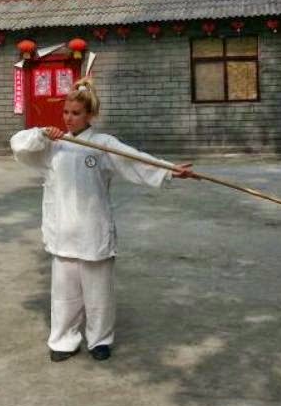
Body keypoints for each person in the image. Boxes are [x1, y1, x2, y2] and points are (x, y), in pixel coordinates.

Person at [10, 78, 196, 363]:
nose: (69, 118)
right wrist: (41, 134)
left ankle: (100, 339)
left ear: (90, 116)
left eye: (76, 113)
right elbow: (19, 145)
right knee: (64, 295)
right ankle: (64, 340)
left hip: (93, 229)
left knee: (99, 294)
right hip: (62, 230)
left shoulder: (104, 145)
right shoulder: (53, 146)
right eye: (66, 112)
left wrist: (170, 170)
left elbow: (136, 160)